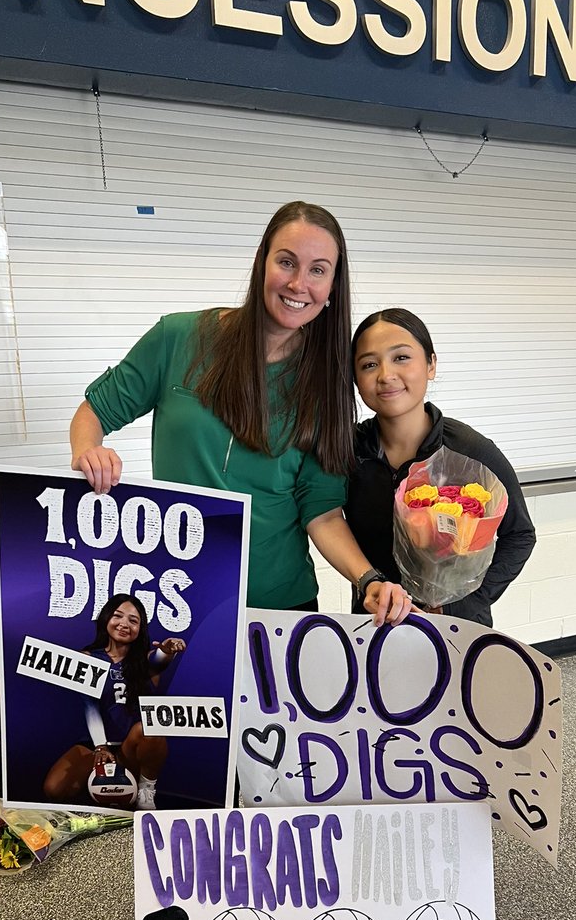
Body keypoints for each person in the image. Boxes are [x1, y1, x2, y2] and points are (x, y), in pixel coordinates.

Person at [69, 201, 411, 625]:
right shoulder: (178, 338)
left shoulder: (326, 382)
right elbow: (95, 409)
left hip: (280, 608)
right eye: (287, 262)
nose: (299, 283)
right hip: (179, 600)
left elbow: (320, 511)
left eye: (318, 270)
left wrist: (368, 580)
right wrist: (88, 450)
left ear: (332, 288)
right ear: (261, 262)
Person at [345, 308, 536, 627]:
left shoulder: (469, 450)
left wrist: (467, 602)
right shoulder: (348, 452)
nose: (386, 375)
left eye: (401, 358)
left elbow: (519, 535)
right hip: (373, 622)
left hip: (455, 627)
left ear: (431, 364)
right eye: (369, 364)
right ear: (356, 379)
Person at [43, 594, 187, 809]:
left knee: (151, 727)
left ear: (140, 629)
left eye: (133, 620)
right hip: (96, 744)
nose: (124, 624)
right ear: (106, 619)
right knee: (54, 789)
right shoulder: (88, 658)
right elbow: (89, 705)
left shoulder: (144, 661)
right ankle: (98, 792)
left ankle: (146, 791)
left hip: (131, 746)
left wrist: (167, 650)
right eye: (118, 616)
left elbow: (160, 658)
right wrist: (100, 746)